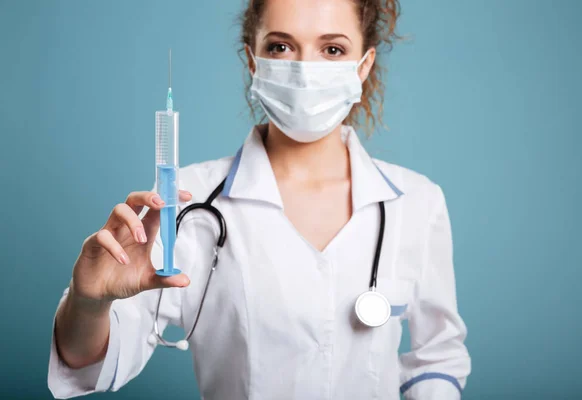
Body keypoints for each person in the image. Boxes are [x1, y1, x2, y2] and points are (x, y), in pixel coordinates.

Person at [48, 0, 471, 398]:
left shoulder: (416, 202)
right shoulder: (185, 204)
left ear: (364, 66)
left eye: (332, 49)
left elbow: (438, 357)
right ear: (253, 60)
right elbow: (89, 362)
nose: (305, 71)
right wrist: (89, 301)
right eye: (281, 46)